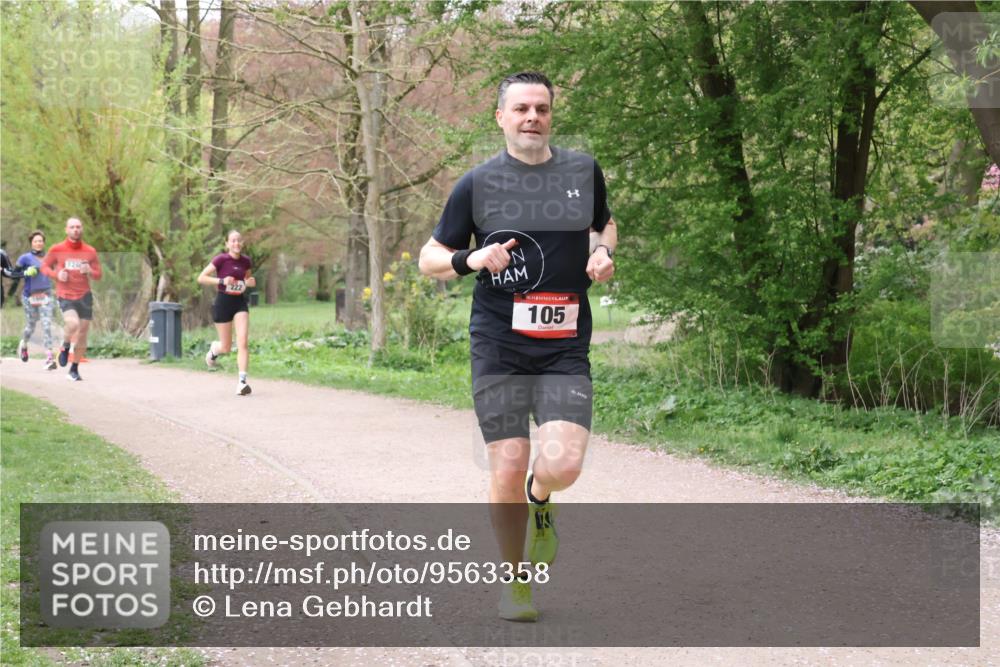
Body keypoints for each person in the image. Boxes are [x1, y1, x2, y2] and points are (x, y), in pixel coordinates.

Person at [419, 71, 617, 621]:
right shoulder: (477, 184)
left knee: (565, 465)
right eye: (522, 109)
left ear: (551, 116)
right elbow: (430, 258)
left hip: (563, 347)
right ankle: (514, 581)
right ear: (501, 117)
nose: (533, 117)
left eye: (542, 109)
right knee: (507, 464)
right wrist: (470, 258)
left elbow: (604, 226)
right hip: (499, 344)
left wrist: (602, 253)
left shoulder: (582, 172)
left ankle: (541, 496)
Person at [41, 218, 102, 382]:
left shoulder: (90, 251)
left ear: (82, 229)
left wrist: (89, 271)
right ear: (66, 230)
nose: (76, 229)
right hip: (65, 294)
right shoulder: (57, 249)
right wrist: (56, 275)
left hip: (84, 295)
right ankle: (66, 345)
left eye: (78, 227)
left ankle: (74, 369)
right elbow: (44, 266)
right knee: (73, 324)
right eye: (72, 227)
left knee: (83, 333)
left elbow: (98, 275)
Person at [197, 230, 255, 396]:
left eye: (239, 240)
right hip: (223, 303)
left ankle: (242, 383)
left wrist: (249, 282)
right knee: (226, 347)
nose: (236, 243)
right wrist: (222, 280)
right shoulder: (221, 259)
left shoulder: (246, 261)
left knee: (243, 342)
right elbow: (201, 278)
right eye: (233, 240)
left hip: (240, 303)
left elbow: (247, 280)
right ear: (227, 244)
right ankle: (215, 350)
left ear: (242, 243)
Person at [15, 231, 58, 370]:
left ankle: (49, 358)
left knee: (46, 324)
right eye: (35, 241)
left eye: (40, 241)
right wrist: (25, 273)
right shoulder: (24, 258)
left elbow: (55, 273)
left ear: (43, 243)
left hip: (46, 295)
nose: (38, 243)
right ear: (31, 243)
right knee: (31, 326)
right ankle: (24, 344)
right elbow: (14, 274)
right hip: (29, 296)